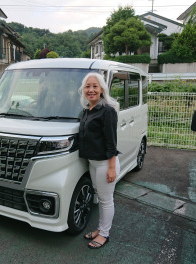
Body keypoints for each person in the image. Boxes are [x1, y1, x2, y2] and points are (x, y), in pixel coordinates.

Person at [78, 72, 120, 249]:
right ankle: (101, 229)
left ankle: (104, 234)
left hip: (105, 164)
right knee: (101, 198)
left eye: (95, 86)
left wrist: (111, 168)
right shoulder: (87, 111)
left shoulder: (107, 111)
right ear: (83, 90)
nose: (91, 90)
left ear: (102, 89)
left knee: (106, 199)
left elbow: (111, 142)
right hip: (93, 163)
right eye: (88, 86)